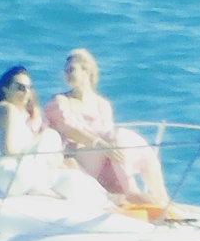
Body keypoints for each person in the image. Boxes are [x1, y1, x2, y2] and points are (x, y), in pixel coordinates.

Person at [43, 48, 168, 206]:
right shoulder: (60, 101)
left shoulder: (103, 104)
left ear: (87, 71)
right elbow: (70, 130)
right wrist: (101, 145)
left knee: (121, 137)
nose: (67, 74)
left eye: (72, 69)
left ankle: (162, 197)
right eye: (66, 70)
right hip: (79, 158)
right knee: (116, 137)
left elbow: (109, 137)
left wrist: (107, 149)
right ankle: (132, 191)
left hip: (104, 156)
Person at [0, 65, 107, 206]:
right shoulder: (6, 109)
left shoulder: (16, 113)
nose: (25, 92)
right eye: (20, 87)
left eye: (29, 88)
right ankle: (106, 200)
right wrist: (40, 150)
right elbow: (8, 151)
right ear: (5, 89)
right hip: (12, 177)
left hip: (13, 179)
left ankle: (106, 199)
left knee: (72, 177)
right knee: (50, 136)